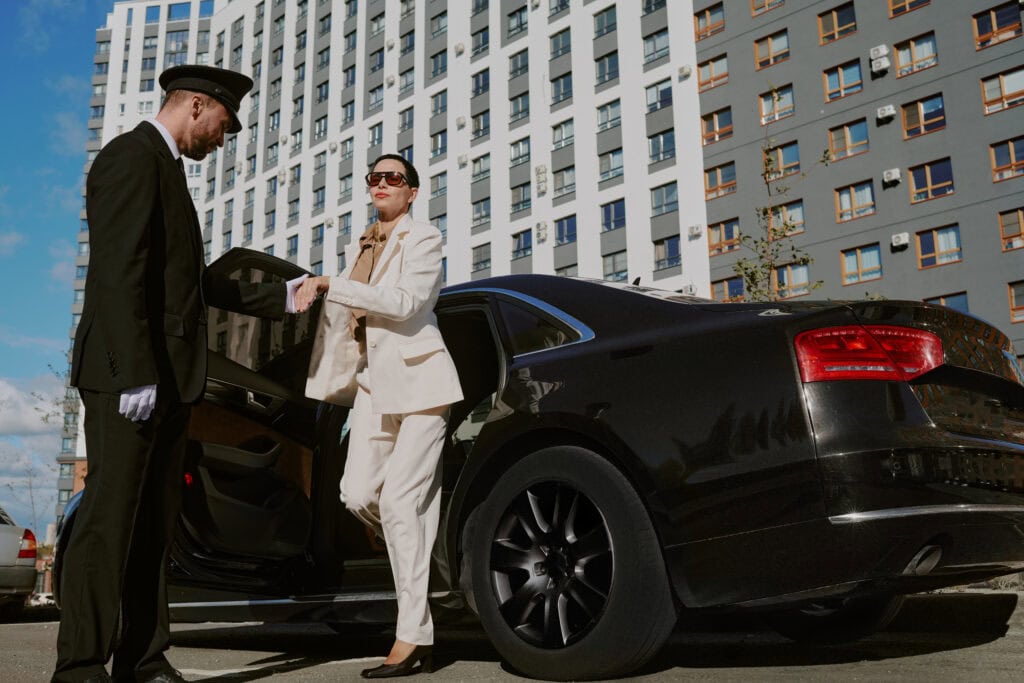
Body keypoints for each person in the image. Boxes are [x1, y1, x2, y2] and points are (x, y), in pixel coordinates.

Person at [53, 65, 306, 683]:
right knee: (107, 524)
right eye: (225, 124)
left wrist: (284, 297)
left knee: (152, 526)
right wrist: (135, 371)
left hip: (167, 378)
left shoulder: (165, 170)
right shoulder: (130, 157)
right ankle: (81, 667)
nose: (223, 139)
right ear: (196, 104)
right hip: (127, 377)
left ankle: (141, 659)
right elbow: (117, 272)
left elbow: (191, 284)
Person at [297, 154, 463, 678]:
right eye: (374, 177)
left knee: (397, 504)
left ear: (411, 192)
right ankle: (421, 550)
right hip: (372, 385)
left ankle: (413, 637)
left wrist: (331, 284)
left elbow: (406, 302)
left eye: (394, 177)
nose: (382, 183)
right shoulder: (360, 246)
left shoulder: (425, 238)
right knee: (358, 496)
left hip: (422, 383)